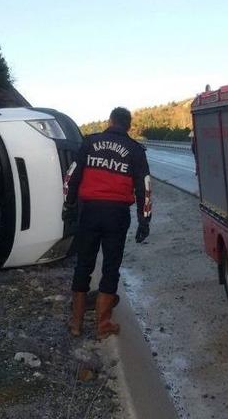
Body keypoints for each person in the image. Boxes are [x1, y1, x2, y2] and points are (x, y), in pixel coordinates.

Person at [63, 107, 152, 339]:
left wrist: (69, 206)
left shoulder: (90, 142)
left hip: (89, 211)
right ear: (128, 126)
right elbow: (145, 187)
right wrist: (144, 220)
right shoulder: (135, 150)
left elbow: (72, 177)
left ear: (110, 121)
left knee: (83, 264)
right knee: (111, 268)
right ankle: (103, 325)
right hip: (117, 214)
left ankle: (76, 323)